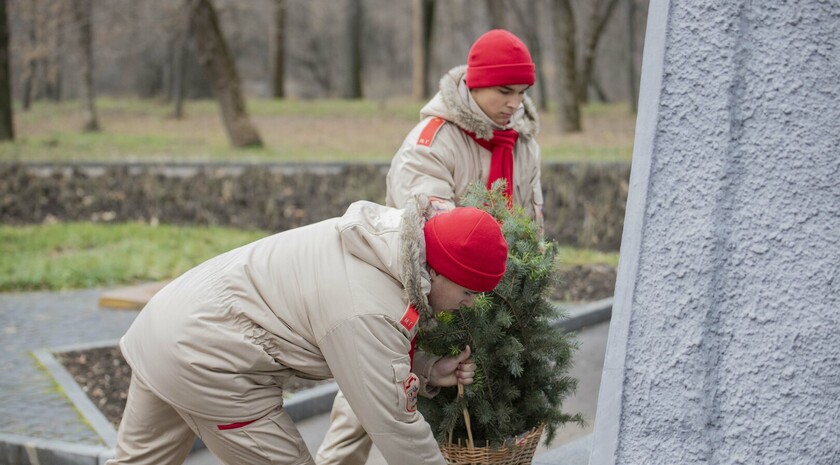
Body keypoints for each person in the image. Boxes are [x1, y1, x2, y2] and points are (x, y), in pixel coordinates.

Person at [106, 200, 508, 465]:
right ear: (437, 271)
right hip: (210, 362)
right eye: (469, 291)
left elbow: (367, 343)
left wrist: (425, 367)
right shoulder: (368, 306)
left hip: (168, 323)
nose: (471, 303)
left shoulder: (388, 242)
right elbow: (397, 428)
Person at [317, 28, 544, 465]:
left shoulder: (524, 143)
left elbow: (530, 220)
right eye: (504, 91)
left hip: (495, 295)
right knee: (368, 397)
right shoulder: (431, 143)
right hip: (423, 291)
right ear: (474, 84)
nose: (516, 103)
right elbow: (431, 234)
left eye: (522, 91)